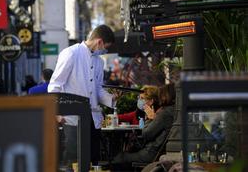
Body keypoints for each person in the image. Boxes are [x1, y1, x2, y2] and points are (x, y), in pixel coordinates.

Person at [48, 24, 116, 165]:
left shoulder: (99, 62)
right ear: (99, 42)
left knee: (93, 157)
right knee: (74, 157)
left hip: (93, 118)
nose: (104, 51)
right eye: (105, 47)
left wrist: (111, 98)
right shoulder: (71, 53)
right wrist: (56, 112)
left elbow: (97, 89)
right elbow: (55, 84)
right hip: (72, 118)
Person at [112, 84, 175, 167]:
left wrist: (149, 119)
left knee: (120, 157)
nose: (139, 101)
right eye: (139, 98)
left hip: (150, 153)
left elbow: (146, 134)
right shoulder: (171, 111)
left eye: (142, 98)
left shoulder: (163, 113)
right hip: (153, 150)